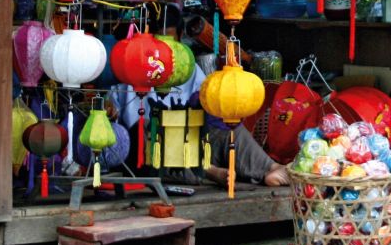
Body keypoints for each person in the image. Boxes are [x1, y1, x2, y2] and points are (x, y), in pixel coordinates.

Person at [109, 62, 289, 187]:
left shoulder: (189, 69)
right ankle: (210, 171)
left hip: (193, 137)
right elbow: (115, 139)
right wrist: (109, 114)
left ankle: (271, 168)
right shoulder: (121, 83)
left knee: (230, 129)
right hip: (152, 152)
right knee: (147, 128)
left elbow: (206, 100)